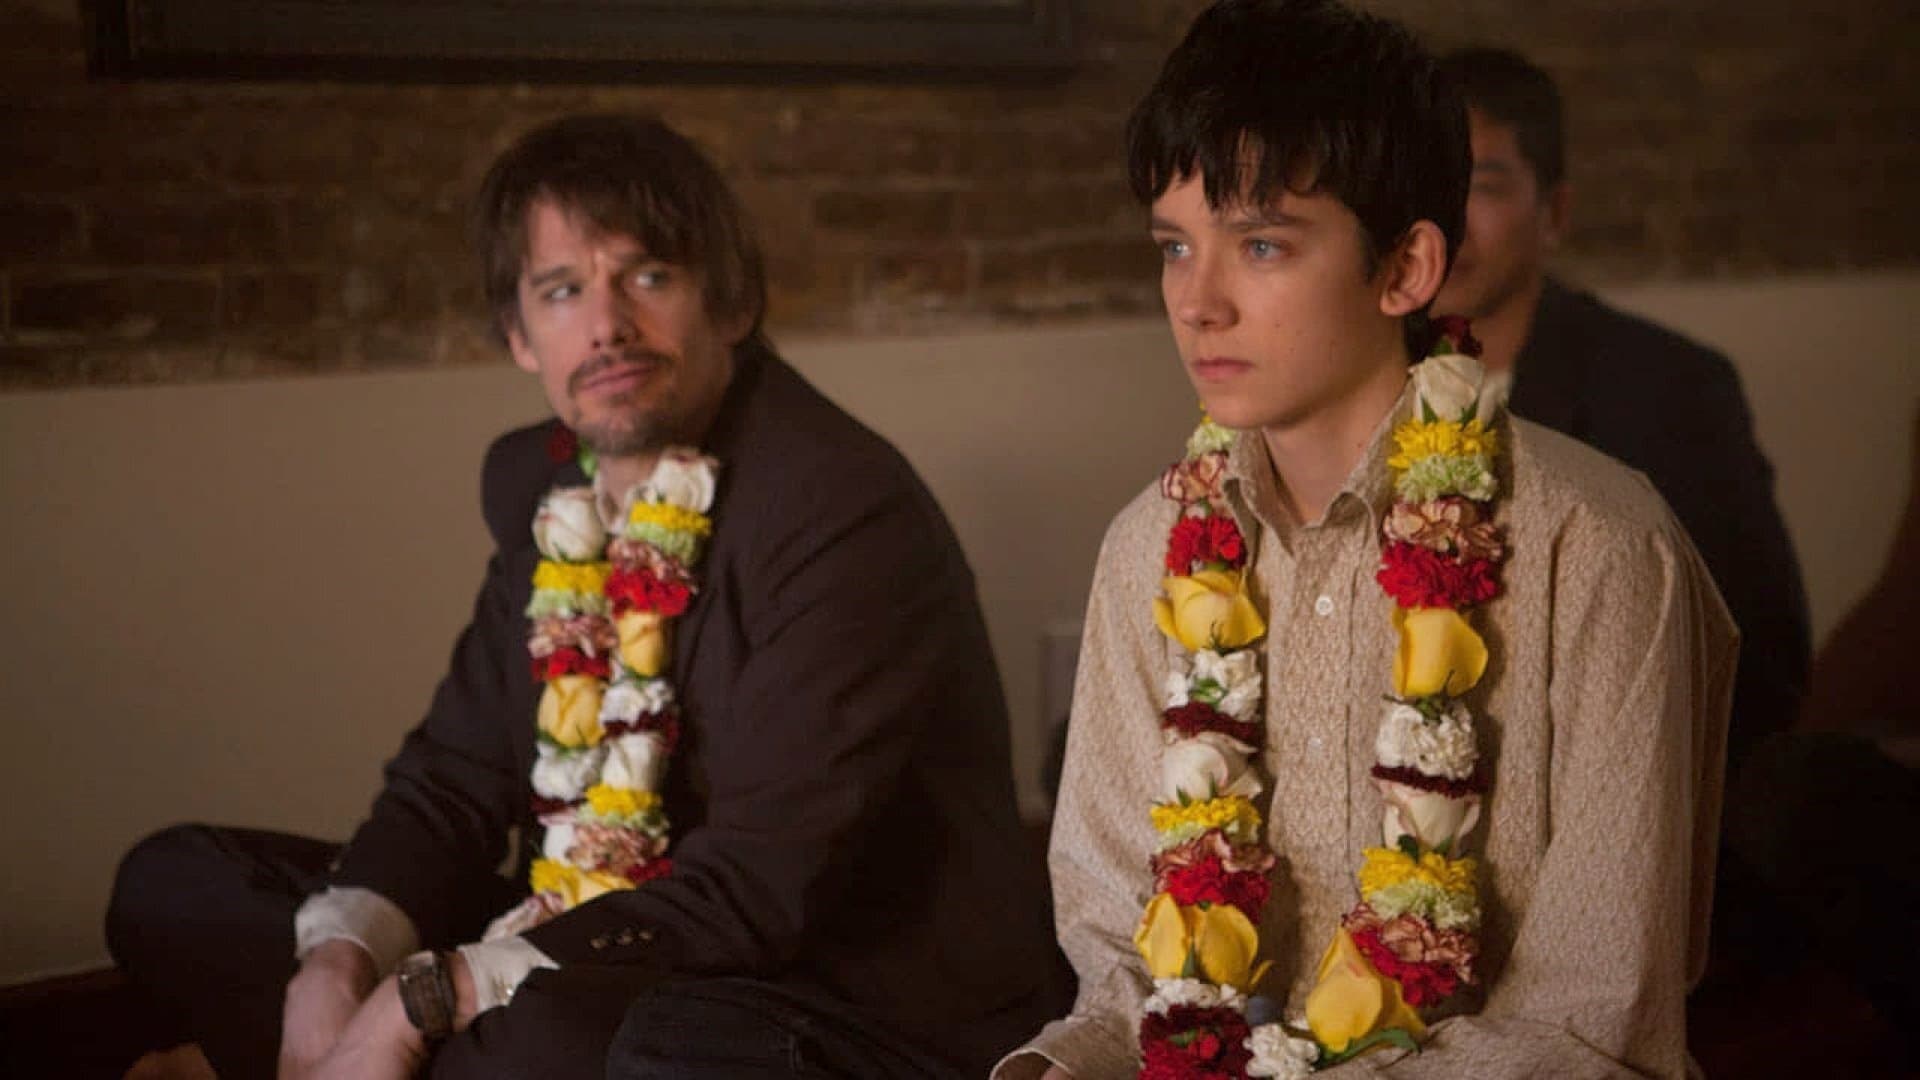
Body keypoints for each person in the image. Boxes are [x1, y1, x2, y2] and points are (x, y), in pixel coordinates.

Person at [106, 113, 1065, 1080]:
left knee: (554, 1043)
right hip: (591, 927)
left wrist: (426, 996)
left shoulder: (841, 510)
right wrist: (339, 966)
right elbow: (450, 782)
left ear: (730, 304)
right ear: (520, 337)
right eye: (563, 290)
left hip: (826, 993)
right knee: (175, 888)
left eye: (648, 276)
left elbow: (759, 890)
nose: (607, 326)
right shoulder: (544, 487)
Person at [998, 2, 1734, 1078]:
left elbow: (1584, 1026)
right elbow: (1120, 962)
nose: (1197, 303)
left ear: (1405, 270)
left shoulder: (1597, 547)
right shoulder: (1148, 545)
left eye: (1261, 245)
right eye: (1174, 247)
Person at [1430, 47, 1810, 776]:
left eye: (1481, 186)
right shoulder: (1368, 383)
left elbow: (1760, 660)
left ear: (1554, 212)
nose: (1448, 221)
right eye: (1423, 183)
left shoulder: (1667, 387)